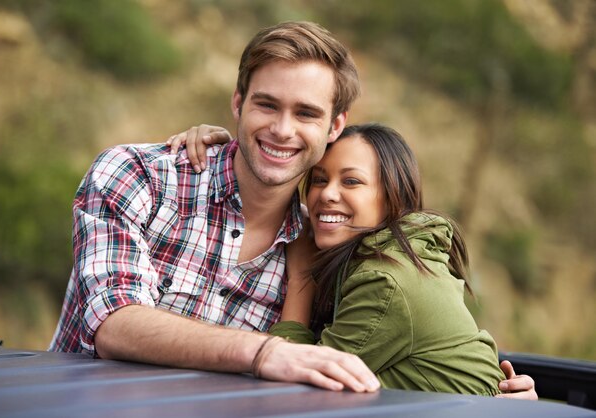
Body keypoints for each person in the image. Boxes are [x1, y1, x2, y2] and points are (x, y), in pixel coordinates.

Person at [51, 20, 535, 397]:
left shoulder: (326, 249)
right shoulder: (140, 177)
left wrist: (492, 395)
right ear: (237, 103)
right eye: (266, 105)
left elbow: (377, 354)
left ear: (333, 127)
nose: (282, 130)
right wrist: (264, 353)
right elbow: (113, 323)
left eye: (305, 113)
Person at [167, 124, 537, 399]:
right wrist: (218, 146)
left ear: (393, 196)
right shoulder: (379, 256)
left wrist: (300, 276)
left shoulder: (386, 279)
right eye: (318, 179)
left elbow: (295, 386)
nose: (327, 195)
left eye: (352, 182)